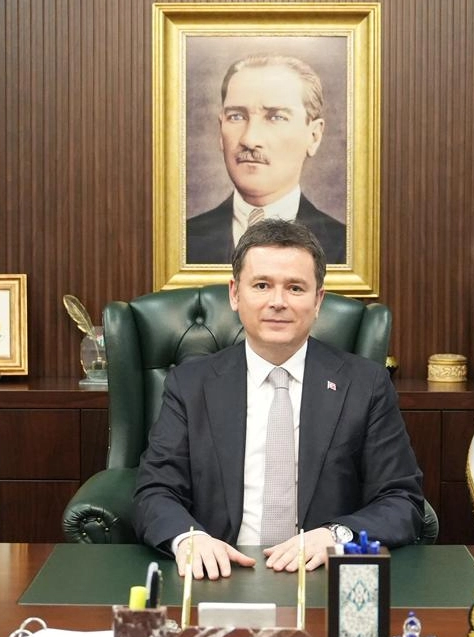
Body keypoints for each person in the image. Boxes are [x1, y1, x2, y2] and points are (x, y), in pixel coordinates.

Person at [134, 219, 423, 580]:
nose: (278, 302)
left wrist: (336, 536)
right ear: (235, 294)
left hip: (322, 575)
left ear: (318, 300)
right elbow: (155, 491)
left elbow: (401, 501)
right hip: (218, 574)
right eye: (261, 285)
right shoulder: (190, 384)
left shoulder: (365, 385)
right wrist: (189, 539)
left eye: (295, 288)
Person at [186, 54, 346, 265]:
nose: (249, 140)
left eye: (276, 117)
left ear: (314, 136)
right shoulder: (182, 242)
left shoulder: (347, 249)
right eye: (236, 116)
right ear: (221, 131)